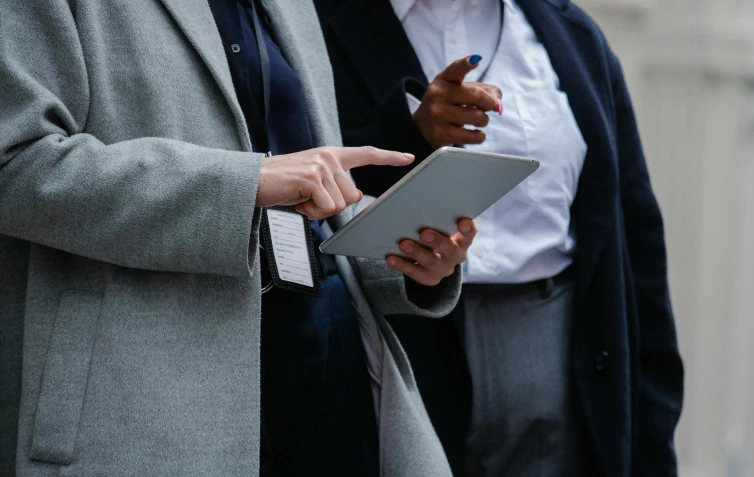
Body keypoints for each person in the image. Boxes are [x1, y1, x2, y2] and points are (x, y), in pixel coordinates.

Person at [0, 1, 475, 476]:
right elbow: (14, 165)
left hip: (331, 350)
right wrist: (246, 182)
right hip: (147, 385)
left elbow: (314, 195)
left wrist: (407, 252)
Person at [313, 0, 685, 475]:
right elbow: (299, 184)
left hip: (556, 359)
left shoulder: (571, 34)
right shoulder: (315, 20)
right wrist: (413, 134)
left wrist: (653, 436)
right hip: (393, 355)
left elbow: (637, 248)